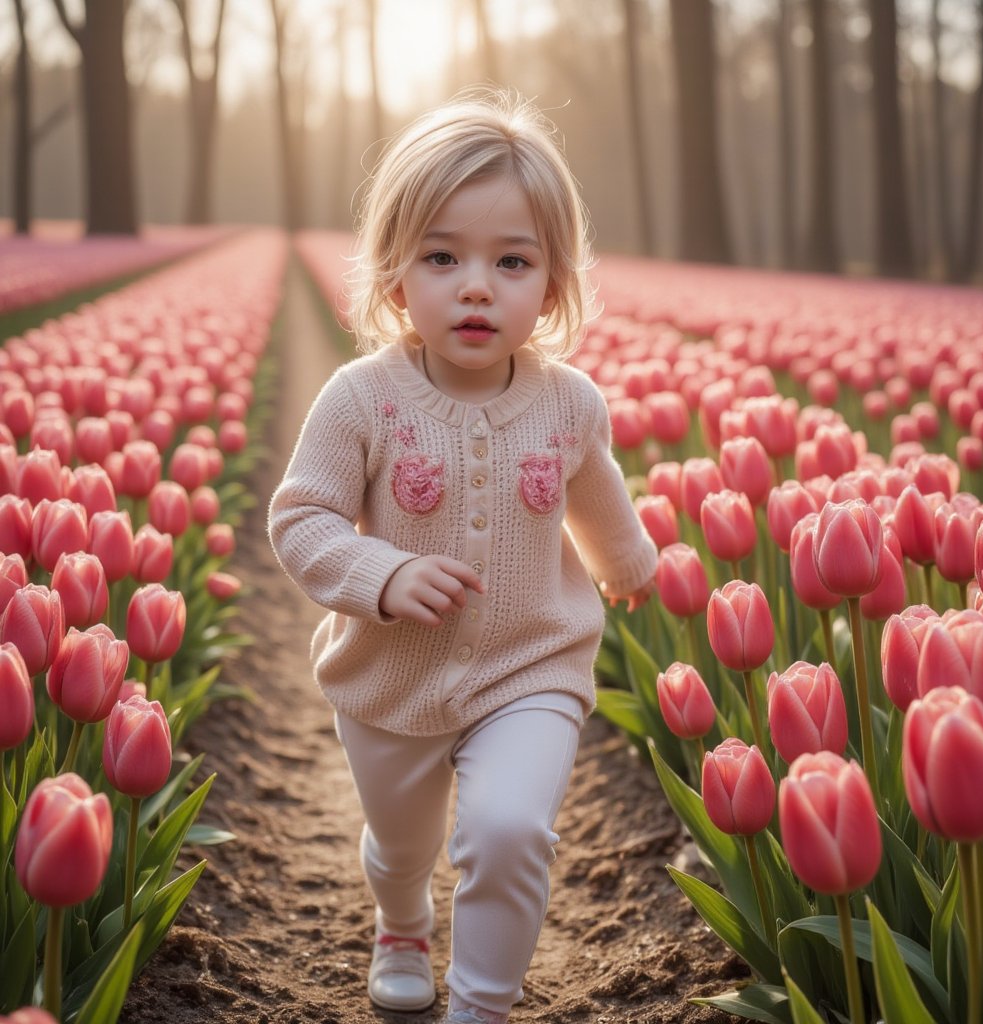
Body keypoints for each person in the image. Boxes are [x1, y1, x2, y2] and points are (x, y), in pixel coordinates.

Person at [268, 88, 658, 1024]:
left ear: (553, 285)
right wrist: (382, 574)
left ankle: (480, 1005)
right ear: (396, 275)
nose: (476, 284)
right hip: (390, 677)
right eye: (443, 257)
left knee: (510, 829)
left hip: (533, 660)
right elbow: (300, 519)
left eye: (510, 261)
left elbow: (598, 497)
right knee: (403, 846)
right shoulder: (360, 400)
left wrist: (632, 565)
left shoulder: (570, 405)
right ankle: (401, 920)